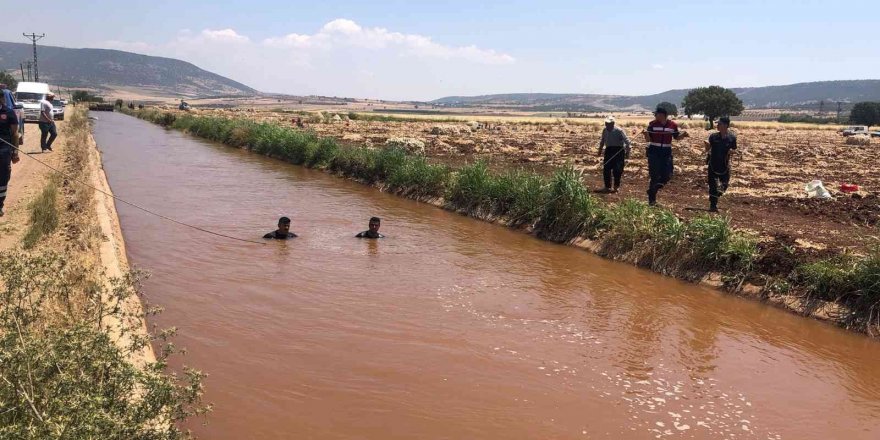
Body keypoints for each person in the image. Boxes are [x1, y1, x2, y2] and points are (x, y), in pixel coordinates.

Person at [642, 106, 688, 206]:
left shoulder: (672, 125)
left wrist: (683, 135)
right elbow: (648, 140)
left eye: (656, 114)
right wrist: (645, 134)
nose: (655, 116)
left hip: (666, 151)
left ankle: (652, 190)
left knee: (668, 175)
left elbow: (677, 137)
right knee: (654, 176)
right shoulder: (652, 124)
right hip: (654, 151)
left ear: (662, 115)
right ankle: (652, 200)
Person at [704, 117, 737, 212]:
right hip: (713, 164)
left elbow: (734, 149)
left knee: (724, 185)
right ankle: (713, 205)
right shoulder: (713, 136)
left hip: (725, 165)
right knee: (713, 185)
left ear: (726, 125)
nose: (717, 126)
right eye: (717, 124)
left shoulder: (732, 138)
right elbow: (708, 148)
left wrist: (732, 151)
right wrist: (706, 146)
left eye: (719, 124)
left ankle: (715, 196)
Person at [597, 116, 631, 192]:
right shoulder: (604, 130)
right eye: (606, 123)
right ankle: (607, 187)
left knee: (617, 170)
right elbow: (602, 141)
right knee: (606, 169)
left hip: (618, 151)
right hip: (609, 150)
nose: (606, 125)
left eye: (608, 123)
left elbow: (627, 142)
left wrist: (628, 153)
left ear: (613, 123)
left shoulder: (619, 131)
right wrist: (599, 150)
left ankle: (616, 187)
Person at [0, 100, 21, 216]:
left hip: (3, 149)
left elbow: (15, 134)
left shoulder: (9, 113)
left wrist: (15, 153)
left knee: (3, 178)